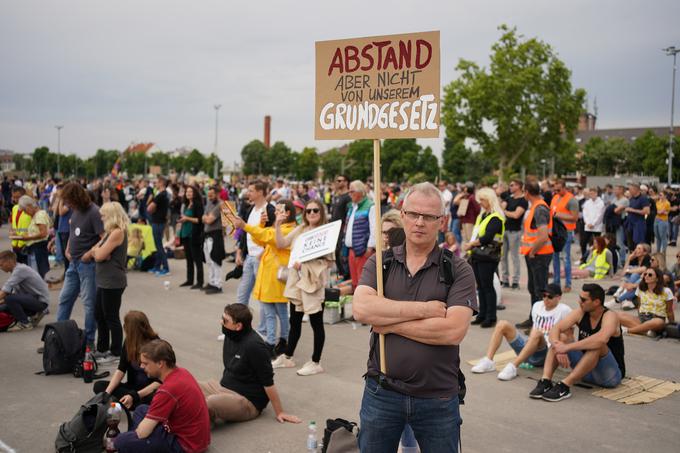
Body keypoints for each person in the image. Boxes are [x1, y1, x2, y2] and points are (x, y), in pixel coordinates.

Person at [353, 182, 477, 452]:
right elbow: (362, 309)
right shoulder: (381, 262)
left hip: (438, 399)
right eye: (413, 214)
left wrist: (387, 321)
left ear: (441, 222)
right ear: (403, 214)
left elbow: (452, 331)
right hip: (381, 393)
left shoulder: (458, 269)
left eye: (429, 217)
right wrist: (424, 310)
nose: (419, 222)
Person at [198, 304, 300, 424]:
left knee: (210, 403)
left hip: (246, 401)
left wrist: (280, 412)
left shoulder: (254, 346)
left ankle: (191, 433)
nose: (221, 322)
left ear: (238, 326)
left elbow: (268, 382)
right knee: (189, 385)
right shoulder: (230, 335)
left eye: (225, 320)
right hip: (223, 388)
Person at [530, 283, 625, 402]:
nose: (579, 302)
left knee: (598, 345)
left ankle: (565, 385)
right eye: (580, 298)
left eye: (584, 300)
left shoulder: (610, 316)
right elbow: (556, 329)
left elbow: (601, 339)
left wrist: (567, 348)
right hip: (584, 370)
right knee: (561, 338)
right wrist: (558, 346)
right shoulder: (581, 312)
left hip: (609, 376)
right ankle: (546, 381)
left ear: (596, 302)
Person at [226, 200, 297, 356]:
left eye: (279, 210)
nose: (275, 213)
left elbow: (266, 236)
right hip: (269, 275)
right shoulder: (278, 227)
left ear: (288, 213)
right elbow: (259, 239)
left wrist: (245, 226)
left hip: (275, 277)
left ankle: (280, 341)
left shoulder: (289, 229)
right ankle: (274, 342)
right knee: (272, 311)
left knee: (279, 311)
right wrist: (261, 223)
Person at [114, 339, 211, 453]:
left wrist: (136, 436)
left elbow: (142, 433)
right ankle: (138, 445)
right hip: (197, 438)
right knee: (141, 409)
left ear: (160, 363)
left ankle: (136, 445)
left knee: (120, 441)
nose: (141, 366)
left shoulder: (167, 390)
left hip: (185, 445)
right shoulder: (182, 372)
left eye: (146, 363)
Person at [272, 199, 333, 376]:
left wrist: (306, 265)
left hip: (313, 284)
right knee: (295, 320)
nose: (312, 214)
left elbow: (329, 262)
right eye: (308, 211)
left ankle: (316, 361)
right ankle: (288, 356)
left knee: (316, 323)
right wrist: (277, 225)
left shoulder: (326, 233)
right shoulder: (300, 229)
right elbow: (282, 243)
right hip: (297, 282)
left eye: (315, 210)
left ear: (321, 212)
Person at [471, 284, 571, 380]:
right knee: (502, 324)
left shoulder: (564, 310)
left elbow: (568, 336)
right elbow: (535, 326)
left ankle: (514, 366)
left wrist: (563, 351)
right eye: (544, 295)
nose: (545, 298)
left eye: (550, 296)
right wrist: (530, 341)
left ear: (558, 298)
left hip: (544, 353)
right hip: (530, 344)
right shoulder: (537, 305)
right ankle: (489, 361)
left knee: (537, 333)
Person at [57, 182, 105, 348]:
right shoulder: (76, 210)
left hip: (88, 266)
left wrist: (90, 253)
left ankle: (89, 342)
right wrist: (68, 248)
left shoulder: (94, 212)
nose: (67, 205)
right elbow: (73, 231)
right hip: (74, 263)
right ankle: (57, 337)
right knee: (64, 299)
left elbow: (104, 238)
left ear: (76, 198)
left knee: (89, 304)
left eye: (69, 201)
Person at [93, 311, 161, 409]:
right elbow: (121, 370)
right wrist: (106, 394)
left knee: (154, 398)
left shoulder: (156, 345)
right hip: (132, 388)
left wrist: (135, 396)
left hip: (149, 390)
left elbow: (159, 381)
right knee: (99, 386)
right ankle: (127, 402)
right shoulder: (129, 341)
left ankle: (128, 402)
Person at [88, 202, 129, 363]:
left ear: (111, 215)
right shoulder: (109, 232)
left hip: (113, 280)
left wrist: (98, 252)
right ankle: (103, 348)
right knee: (99, 314)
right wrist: (99, 252)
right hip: (104, 280)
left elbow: (98, 255)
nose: (101, 217)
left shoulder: (117, 232)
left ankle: (116, 351)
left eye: (104, 214)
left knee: (111, 316)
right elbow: (96, 250)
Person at [463, 187, 505, 328]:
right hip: (478, 254)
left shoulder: (496, 217)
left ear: (490, 200)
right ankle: (482, 314)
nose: (480, 202)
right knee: (481, 286)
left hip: (489, 255)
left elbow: (486, 238)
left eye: (482, 200)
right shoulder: (483, 215)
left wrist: (471, 244)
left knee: (487, 287)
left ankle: (491, 316)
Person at [517, 177, 554, 330]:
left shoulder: (539, 208)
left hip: (539, 255)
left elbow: (543, 235)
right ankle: (534, 318)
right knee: (534, 289)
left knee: (540, 290)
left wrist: (532, 251)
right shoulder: (535, 207)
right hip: (535, 254)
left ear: (527, 193)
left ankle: (540, 324)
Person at [235, 181, 276, 307]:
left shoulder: (270, 210)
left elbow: (272, 236)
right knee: (242, 295)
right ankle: (240, 323)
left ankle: (264, 327)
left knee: (263, 297)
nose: (248, 193)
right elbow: (244, 233)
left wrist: (263, 253)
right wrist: (239, 251)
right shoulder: (250, 209)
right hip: (249, 257)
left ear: (260, 192)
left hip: (262, 258)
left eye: (251, 190)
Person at [617, 267, 675, 336]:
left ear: (657, 278)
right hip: (642, 318)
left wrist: (672, 324)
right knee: (618, 315)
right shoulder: (641, 289)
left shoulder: (666, 291)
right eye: (645, 274)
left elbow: (669, 311)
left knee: (658, 322)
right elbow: (639, 306)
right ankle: (646, 332)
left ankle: (628, 330)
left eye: (650, 275)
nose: (646, 276)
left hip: (656, 318)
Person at [0, 250, 50, 330]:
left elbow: (5, 291)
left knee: (9, 299)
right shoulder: (16, 270)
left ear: (9, 261)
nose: (1, 268)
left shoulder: (20, 270)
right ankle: (32, 315)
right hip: (31, 298)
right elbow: (13, 293)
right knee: (4, 306)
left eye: (2, 265)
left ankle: (25, 323)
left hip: (40, 302)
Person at [344, 180, 376, 289]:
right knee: (355, 282)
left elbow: (374, 229)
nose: (350, 194)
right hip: (352, 250)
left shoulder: (370, 206)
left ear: (360, 192)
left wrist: (369, 248)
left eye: (352, 191)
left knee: (362, 283)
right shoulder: (352, 206)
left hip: (362, 251)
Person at [550, 180, 578, 292]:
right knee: (555, 258)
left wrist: (558, 215)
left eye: (558, 189)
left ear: (564, 188)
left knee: (566, 258)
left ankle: (568, 284)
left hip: (566, 232)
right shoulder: (555, 197)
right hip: (556, 232)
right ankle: (556, 282)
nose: (556, 191)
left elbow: (575, 217)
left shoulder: (571, 200)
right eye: (555, 189)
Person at [13, 195, 50, 279]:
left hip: (38, 249)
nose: (25, 213)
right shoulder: (36, 215)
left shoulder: (39, 215)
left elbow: (43, 233)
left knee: (37, 276)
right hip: (35, 248)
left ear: (29, 206)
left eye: (25, 210)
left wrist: (27, 238)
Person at [501, 179, 528, 289]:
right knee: (503, 256)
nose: (510, 187)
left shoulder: (523, 200)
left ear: (519, 186)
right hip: (505, 230)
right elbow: (500, 208)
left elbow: (516, 215)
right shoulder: (509, 198)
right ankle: (505, 279)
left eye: (512, 185)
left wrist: (505, 212)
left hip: (515, 231)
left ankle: (515, 281)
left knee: (514, 257)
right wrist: (506, 212)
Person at [177, 185, 204, 290]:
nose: (188, 193)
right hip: (185, 234)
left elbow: (199, 220)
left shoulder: (197, 204)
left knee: (197, 259)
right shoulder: (187, 204)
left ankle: (199, 282)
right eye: (187, 192)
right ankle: (189, 280)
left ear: (195, 193)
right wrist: (182, 220)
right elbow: (186, 218)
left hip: (194, 235)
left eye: (190, 192)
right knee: (188, 258)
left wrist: (187, 218)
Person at [201, 186, 225, 294]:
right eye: (208, 194)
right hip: (207, 235)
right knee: (209, 261)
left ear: (217, 194)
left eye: (211, 194)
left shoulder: (220, 204)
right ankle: (211, 282)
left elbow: (209, 220)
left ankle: (218, 284)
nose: (209, 196)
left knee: (216, 260)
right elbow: (203, 217)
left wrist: (206, 218)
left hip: (216, 235)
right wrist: (206, 218)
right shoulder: (209, 203)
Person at [147, 177, 171, 276]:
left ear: (161, 183)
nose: (155, 184)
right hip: (159, 221)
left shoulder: (161, 195)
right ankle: (157, 266)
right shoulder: (164, 194)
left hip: (158, 222)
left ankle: (165, 268)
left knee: (159, 246)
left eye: (156, 182)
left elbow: (149, 208)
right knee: (158, 245)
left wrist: (151, 207)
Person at [624, 182, 650, 251]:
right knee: (630, 245)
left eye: (630, 189)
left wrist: (632, 210)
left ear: (636, 190)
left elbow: (647, 211)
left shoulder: (643, 199)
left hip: (639, 225)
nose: (629, 191)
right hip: (630, 224)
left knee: (638, 244)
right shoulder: (631, 199)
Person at [581, 188, 605, 259]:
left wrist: (593, 224)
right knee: (583, 243)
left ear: (596, 193)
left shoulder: (601, 203)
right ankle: (584, 258)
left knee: (598, 243)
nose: (591, 195)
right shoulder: (587, 203)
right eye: (590, 193)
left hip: (597, 227)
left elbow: (600, 215)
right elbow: (585, 214)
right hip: (588, 226)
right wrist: (588, 223)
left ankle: (597, 257)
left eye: (593, 193)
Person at [9, 186, 31, 265]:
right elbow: (12, 223)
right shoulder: (14, 208)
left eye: (17, 197)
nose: (15, 200)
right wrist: (11, 231)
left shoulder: (30, 209)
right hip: (15, 244)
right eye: (13, 197)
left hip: (26, 244)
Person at [654, 190, 671, 255]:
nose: (659, 196)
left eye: (661, 195)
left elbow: (663, 212)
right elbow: (657, 211)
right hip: (656, 219)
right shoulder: (658, 202)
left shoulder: (667, 203)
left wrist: (660, 211)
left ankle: (663, 252)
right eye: (659, 195)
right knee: (657, 236)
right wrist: (660, 211)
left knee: (663, 236)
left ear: (665, 196)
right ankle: (658, 252)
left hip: (663, 221)